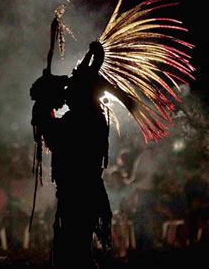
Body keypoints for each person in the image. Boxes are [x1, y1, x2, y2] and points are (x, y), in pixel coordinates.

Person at [31, 41, 134, 269]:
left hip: (80, 194)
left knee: (73, 253)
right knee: (73, 251)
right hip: (80, 193)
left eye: (72, 88)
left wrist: (45, 107)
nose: (67, 92)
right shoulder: (88, 116)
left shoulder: (83, 119)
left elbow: (56, 139)